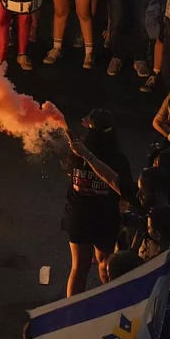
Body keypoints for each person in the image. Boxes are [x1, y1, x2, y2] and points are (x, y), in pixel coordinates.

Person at [61, 109, 131, 296]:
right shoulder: (118, 158)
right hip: (105, 217)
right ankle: (109, 306)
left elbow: (71, 175)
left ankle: (72, 313)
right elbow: (125, 190)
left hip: (79, 216)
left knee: (79, 268)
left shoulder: (77, 154)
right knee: (105, 264)